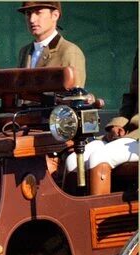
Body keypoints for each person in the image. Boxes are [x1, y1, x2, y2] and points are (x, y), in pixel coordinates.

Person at [66, 52, 138, 194]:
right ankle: (74, 214)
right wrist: (117, 124)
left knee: (99, 158)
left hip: (135, 140)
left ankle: (99, 215)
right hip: (131, 133)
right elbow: (132, 97)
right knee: (73, 160)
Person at [17, 1, 86, 87]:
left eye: (38, 13)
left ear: (55, 15)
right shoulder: (24, 52)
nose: (32, 19)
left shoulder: (69, 51)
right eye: (28, 13)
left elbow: (74, 96)